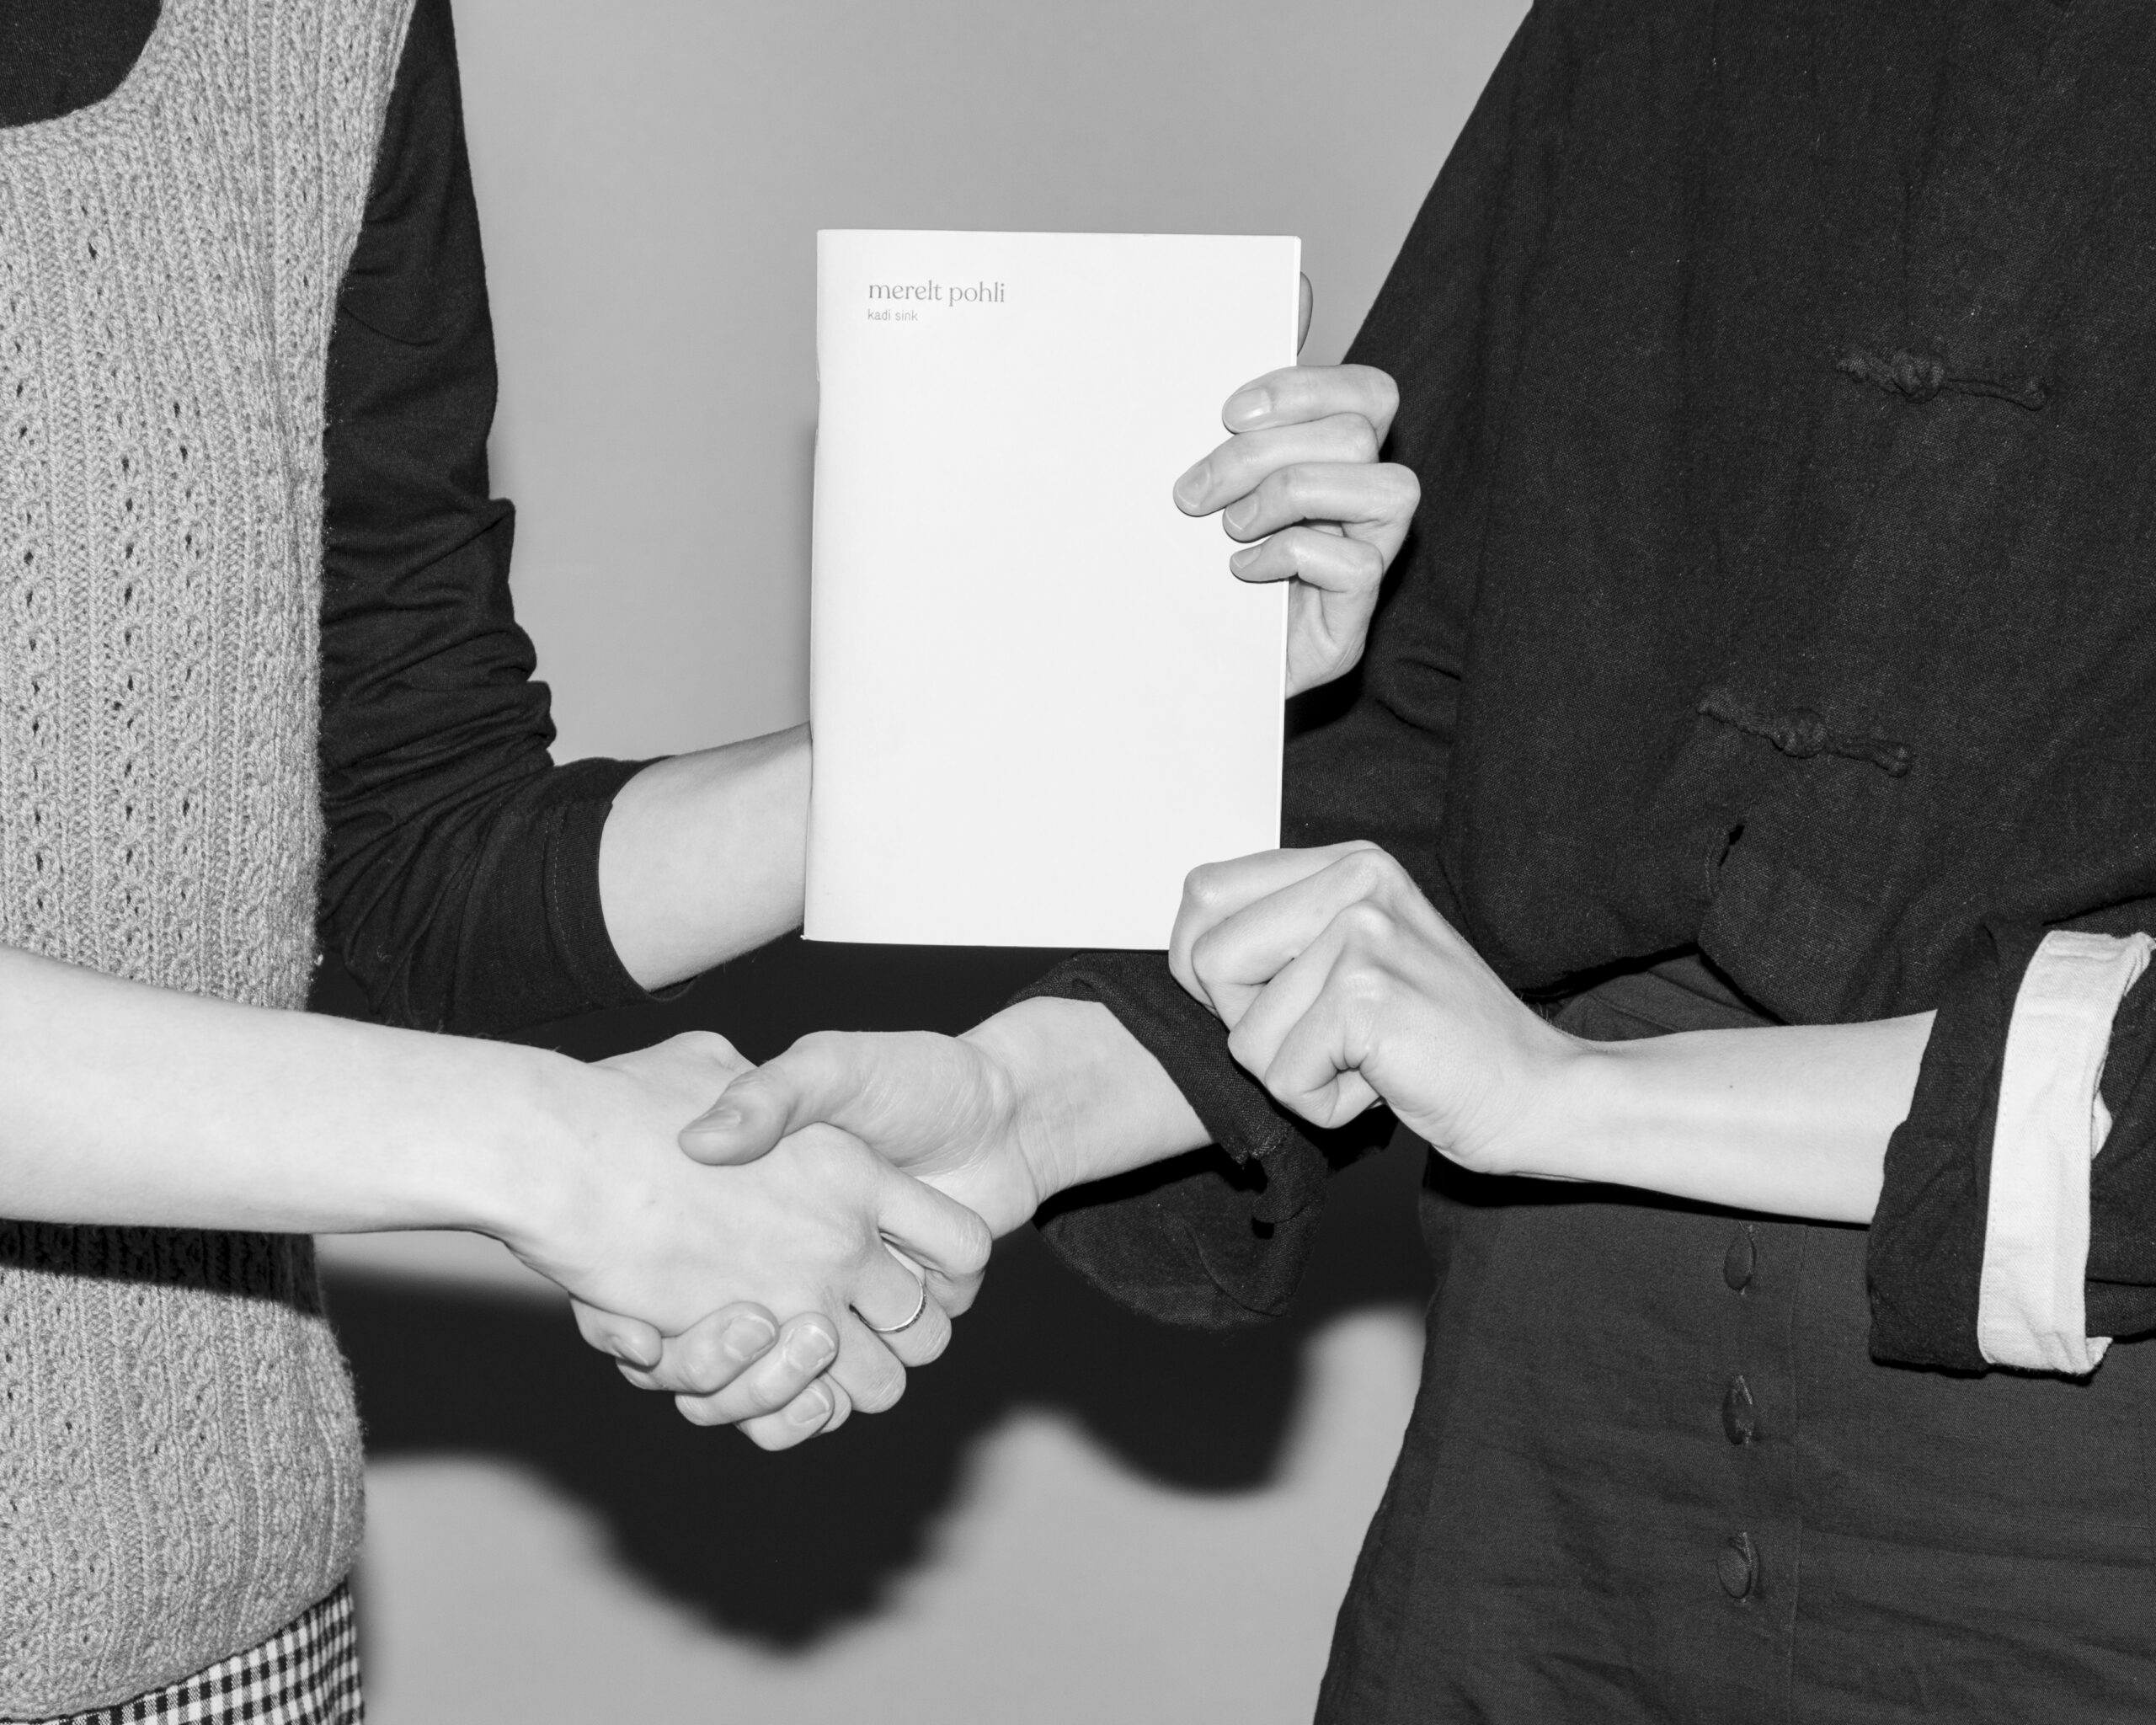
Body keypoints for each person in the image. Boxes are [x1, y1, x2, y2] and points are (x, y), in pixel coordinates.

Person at [647, 2, 2156, 1718]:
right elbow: (1444, 713)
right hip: (1548, 1433)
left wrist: (1566, 1097)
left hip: (2083, 1480)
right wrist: (1027, 1103)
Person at [0, 0, 1392, 1716]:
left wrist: (1090, 693)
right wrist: (556, 1156)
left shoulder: (316, 32)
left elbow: (415, 861)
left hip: (215, 1627)